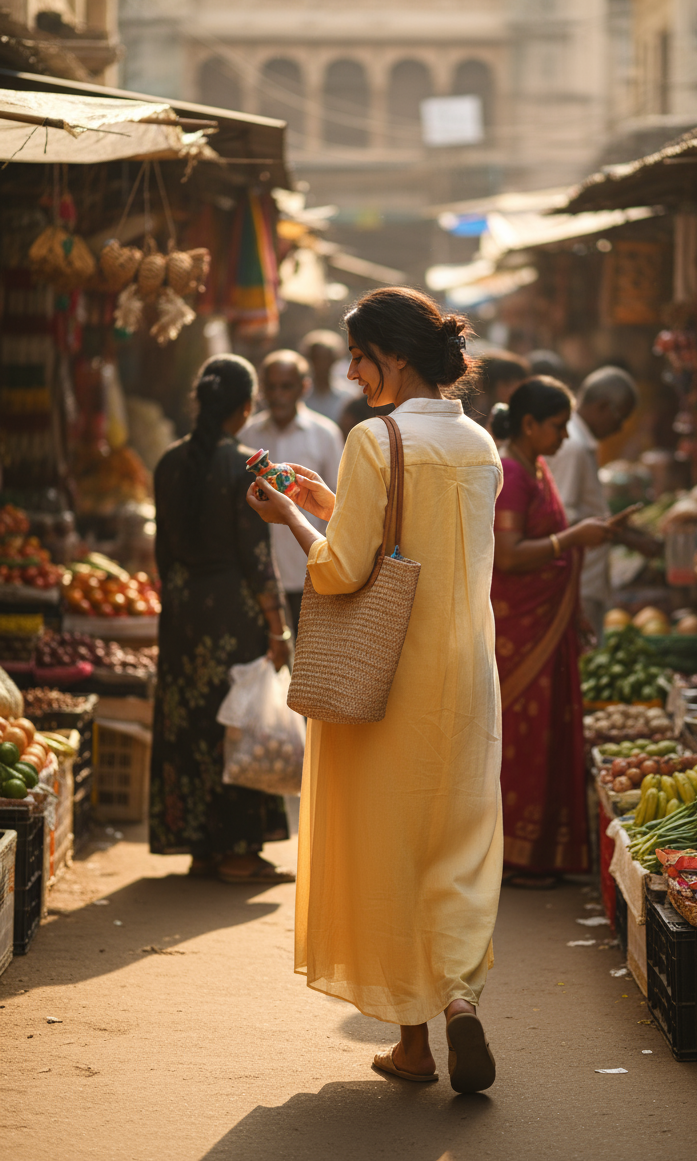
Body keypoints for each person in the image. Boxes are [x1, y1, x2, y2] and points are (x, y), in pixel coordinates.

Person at [246, 287, 502, 1094]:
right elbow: (410, 536)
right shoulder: (480, 445)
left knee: (394, 848)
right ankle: (459, 1001)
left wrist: (293, 516)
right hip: (465, 675)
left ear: (391, 356)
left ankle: (414, 1043)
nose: (351, 373)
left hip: (388, 678)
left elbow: (344, 567)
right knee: (454, 845)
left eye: (358, 356)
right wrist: (330, 504)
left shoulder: (374, 439)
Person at [149, 355, 293, 884]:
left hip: (183, 608)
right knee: (237, 722)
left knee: (190, 722)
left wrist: (180, 598)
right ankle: (237, 850)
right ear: (246, 405)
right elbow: (258, 558)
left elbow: (163, 552)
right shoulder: (245, 466)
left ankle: (202, 847)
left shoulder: (169, 462)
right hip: (231, 611)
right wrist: (277, 630)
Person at [490, 377, 627, 888]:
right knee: (522, 739)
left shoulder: (537, 467)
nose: (565, 437)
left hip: (549, 623)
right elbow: (508, 555)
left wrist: (575, 610)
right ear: (529, 424)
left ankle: (543, 851)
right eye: (558, 425)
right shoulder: (511, 472)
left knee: (547, 733)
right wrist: (574, 537)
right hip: (518, 631)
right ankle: (514, 856)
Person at [240, 349, 343, 635]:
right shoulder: (247, 435)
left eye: (286, 386)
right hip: (261, 576)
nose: (278, 395)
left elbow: (340, 502)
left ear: (303, 387)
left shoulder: (325, 435)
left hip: (310, 571)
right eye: (271, 387)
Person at [544, 365, 647, 640]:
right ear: (602, 406)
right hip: (578, 581)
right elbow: (561, 519)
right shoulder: (573, 446)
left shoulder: (581, 443)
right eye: (620, 417)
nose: (620, 428)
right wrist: (617, 532)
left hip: (586, 578)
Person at [299, 328, 356, 423]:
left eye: (326, 359)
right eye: (316, 358)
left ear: (334, 360)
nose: (321, 364)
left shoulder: (347, 397)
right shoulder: (301, 395)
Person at [471, 349, 529, 428]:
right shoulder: (476, 419)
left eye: (519, 383)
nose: (513, 389)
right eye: (507, 384)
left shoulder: (525, 420)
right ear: (489, 386)